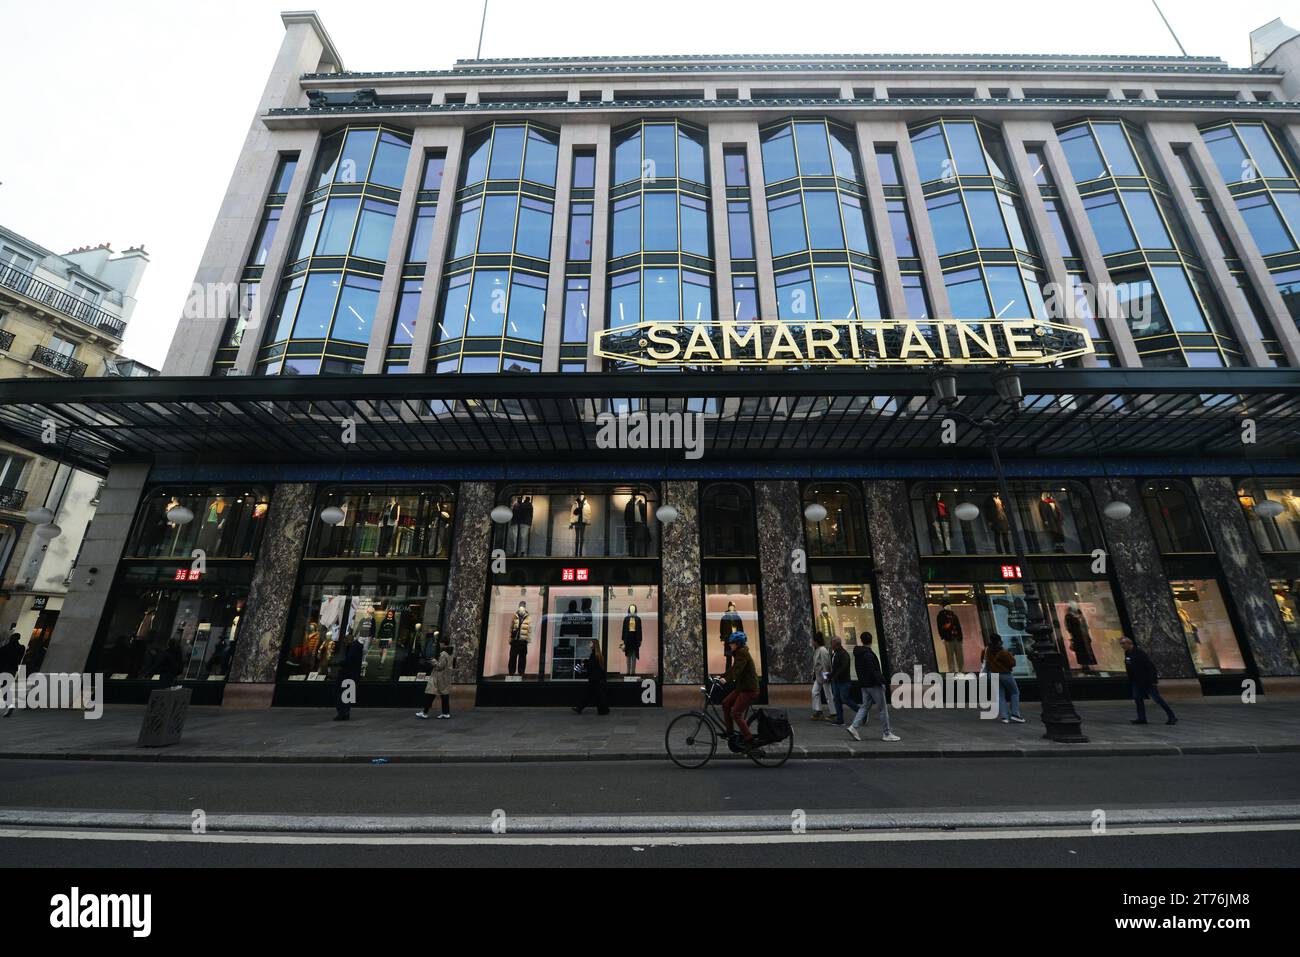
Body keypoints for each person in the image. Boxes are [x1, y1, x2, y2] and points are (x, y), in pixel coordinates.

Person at [847, 632, 900, 742]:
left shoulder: (858, 654)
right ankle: (886, 733)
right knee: (882, 709)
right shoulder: (869, 654)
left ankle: (854, 727)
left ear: (861, 640)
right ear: (871, 640)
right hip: (874, 685)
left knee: (865, 706)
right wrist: (883, 682)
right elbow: (874, 671)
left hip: (864, 685)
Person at [1121, 636, 1177, 725]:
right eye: (1121, 643)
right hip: (1136, 681)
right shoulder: (1127, 653)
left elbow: (1150, 667)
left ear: (1129, 643)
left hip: (1147, 680)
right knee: (1138, 699)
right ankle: (1141, 718)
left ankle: (1171, 716)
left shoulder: (1139, 653)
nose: (1122, 645)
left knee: (1157, 699)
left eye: (1123, 643)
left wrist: (1153, 680)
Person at [719, 632, 759, 750]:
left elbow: (737, 671)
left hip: (749, 689)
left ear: (738, 644)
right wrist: (721, 676)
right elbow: (732, 669)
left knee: (736, 713)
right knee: (726, 704)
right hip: (742, 688)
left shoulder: (742, 653)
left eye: (732, 643)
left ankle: (749, 738)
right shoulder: (738, 653)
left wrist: (726, 680)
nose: (730, 645)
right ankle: (730, 732)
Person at [984, 634, 1024, 724]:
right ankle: (1015, 714)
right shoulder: (1003, 651)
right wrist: (1012, 656)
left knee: (1000, 695)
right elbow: (1012, 663)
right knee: (1015, 692)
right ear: (999, 641)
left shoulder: (987, 650)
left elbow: (983, 660)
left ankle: (1004, 717)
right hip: (1004, 674)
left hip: (993, 674)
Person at [416, 635, 453, 719]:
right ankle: (445, 713)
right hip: (445, 677)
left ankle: (425, 713)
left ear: (443, 643)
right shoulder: (451, 653)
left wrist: (433, 661)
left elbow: (440, 666)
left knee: (431, 693)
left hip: (438, 676)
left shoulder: (444, 654)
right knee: (444, 694)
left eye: (440, 643)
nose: (439, 644)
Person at [828, 636, 859, 726]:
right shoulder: (835, 654)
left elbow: (843, 667)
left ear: (836, 644)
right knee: (837, 700)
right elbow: (834, 668)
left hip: (843, 681)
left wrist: (834, 676)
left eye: (832, 644)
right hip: (836, 681)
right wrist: (830, 676)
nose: (831, 645)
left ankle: (861, 711)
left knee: (844, 698)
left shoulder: (843, 654)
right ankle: (840, 720)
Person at [572, 640, 609, 716]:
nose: (589, 644)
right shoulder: (597, 654)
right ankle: (602, 710)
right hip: (595, 678)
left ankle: (603, 710)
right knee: (593, 694)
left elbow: (592, 665)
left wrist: (585, 663)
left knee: (593, 694)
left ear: (594, 644)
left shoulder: (594, 655)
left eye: (590, 643)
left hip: (594, 678)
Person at [334, 633, 364, 721]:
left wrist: (340, 663)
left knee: (341, 693)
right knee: (347, 695)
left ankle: (343, 712)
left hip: (347, 674)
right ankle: (345, 712)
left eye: (346, 640)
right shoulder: (356, 647)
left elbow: (349, 661)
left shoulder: (353, 648)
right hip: (352, 674)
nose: (345, 642)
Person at [810, 634, 835, 721]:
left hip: (823, 676)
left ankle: (833, 713)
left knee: (828, 694)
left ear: (816, 641)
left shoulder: (823, 650)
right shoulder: (818, 650)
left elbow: (826, 664)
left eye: (813, 641)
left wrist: (826, 676)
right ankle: (818, 711)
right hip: (818, 676)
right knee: (814, 692)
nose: (812, 642)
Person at [0, 633, 23, 717]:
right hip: (12, 670)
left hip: (3, 669)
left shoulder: (5, 648)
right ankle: (10, 706)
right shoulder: (21, 648)